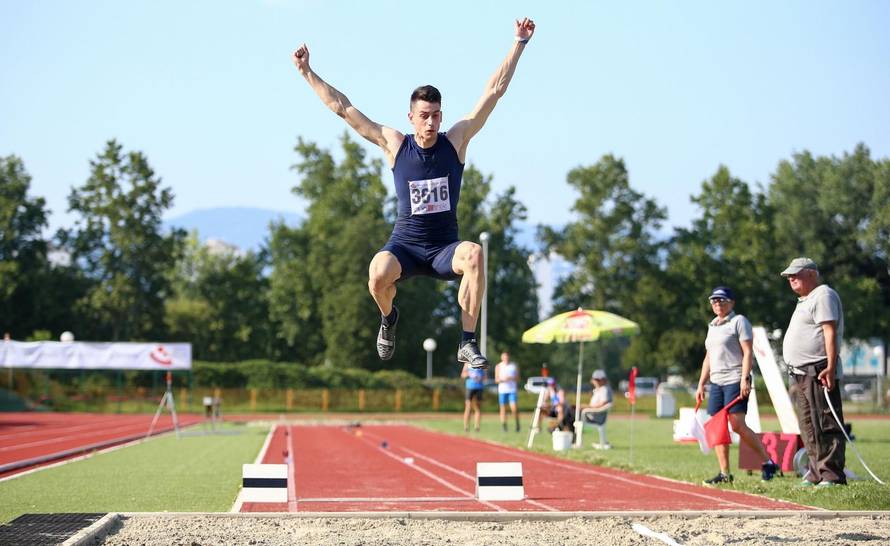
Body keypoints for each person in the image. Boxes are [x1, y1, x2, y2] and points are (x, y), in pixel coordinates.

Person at [292, 19, 537, 370]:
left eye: (436, 116)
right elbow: (343, 108)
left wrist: (519, 43)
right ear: (411, 117)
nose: (431, 123)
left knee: (475, 254)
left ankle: (467, 342)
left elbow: (494, 91)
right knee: (377, 273)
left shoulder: (456, 141)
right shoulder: (395, 144)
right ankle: (389, 319)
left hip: (443, 249)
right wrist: (307, 72)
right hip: (405, 246)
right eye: (424, 116)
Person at [695, 286, 779, 486]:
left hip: (734, 378)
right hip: (716, 382)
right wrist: (701, 384)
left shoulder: (739, 322)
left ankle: (768, 462)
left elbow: (748, 352)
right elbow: (708, 357)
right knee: (718, 428)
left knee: (737, 425)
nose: (718, 304)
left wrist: (745, 378)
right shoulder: (712, 326)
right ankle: (725, 473)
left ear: (731, 302)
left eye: (722, 300)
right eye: (714, 301)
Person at [780, 258, 846, 487]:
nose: (791, 278)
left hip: (818, 369)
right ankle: (815, 472)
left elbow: (830, 331)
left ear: (811, 274)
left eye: (796, 274)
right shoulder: (804, 300)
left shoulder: (823, 295)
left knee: (825, 422)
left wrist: (829, 365)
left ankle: (832, 475)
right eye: (789, 276)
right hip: (800, 372)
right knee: (808, 425)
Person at [582, 369, 614, 449]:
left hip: (596, 416)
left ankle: (573, 438)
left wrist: (587, 407)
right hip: (592, 413)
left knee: (572, 414)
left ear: (603, 380)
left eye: (598, 380)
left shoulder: (604, 389)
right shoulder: (598, 390)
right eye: (595, 380)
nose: (595, 382)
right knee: (572, 410)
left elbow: (603, 403)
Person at [495, 351, 520, 432]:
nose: (505, 358)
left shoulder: (513, 366)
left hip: (512, 390)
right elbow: (496, 380)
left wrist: (511, 378)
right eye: (504, 357)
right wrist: (503, 379)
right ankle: (504, 426)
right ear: (502, 358)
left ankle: (517, 424)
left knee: (514, 409)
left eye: (507, 357)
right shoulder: (499, 366)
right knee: (503, 409)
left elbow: (518, 378)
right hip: (503, 390)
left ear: (509, 357)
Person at [461, 362, 486, 432]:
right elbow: (463, 375)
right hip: (470, 387)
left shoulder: (481, 362)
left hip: (479, 387)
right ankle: (466, 427)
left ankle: (477, 427)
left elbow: (485, 377)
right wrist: (470, 374)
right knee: (468, 406)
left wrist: (479, 377)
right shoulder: (467, 364)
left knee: (478, 408)